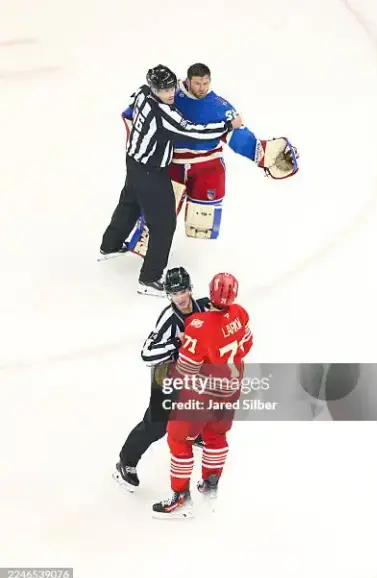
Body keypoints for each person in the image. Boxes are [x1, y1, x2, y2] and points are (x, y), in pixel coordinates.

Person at [124, 63, 298, 255]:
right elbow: (136, 114)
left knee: (201, 225)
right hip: (171, 165)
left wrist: (264, 154)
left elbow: (237, 136)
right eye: (197, 83)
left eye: (205, 83)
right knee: (156, 214)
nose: (202, 88)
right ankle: (141, 247)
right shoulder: (171, 95)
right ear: (188, 81)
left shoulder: (218, 106)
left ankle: (196, 260)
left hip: (207, 167)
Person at [99, 65, 243, 297]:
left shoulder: (142, 93)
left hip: (134, 161)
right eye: (163, 90)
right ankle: (150, 278)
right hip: (151, 171)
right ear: (154, 89)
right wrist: (227, 126)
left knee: (129, 202)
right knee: (164, 224)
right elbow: (192, 132)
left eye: (170, 87)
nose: (169, 94)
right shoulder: (162, 111)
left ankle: (110, 245)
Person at [151, 272, 253, 519]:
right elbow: (247, 345)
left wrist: (187, 345)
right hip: (231, 388)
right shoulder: (240, 314)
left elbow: (186, 368)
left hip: (201, 396)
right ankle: (210, 487)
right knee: (216, 436)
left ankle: (181, 498)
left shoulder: (197, 324)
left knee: (179, 440)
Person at [112, 267, 210, 492]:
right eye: (175, 294)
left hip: (190, 371)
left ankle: (193, 433)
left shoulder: (204, 307)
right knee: (156, 426)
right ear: (169, 295)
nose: (181, 298)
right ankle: (126, 462)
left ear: (191, 289)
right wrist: (177, 344)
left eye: (184, 291)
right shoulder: (168, 319)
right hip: (166, 375)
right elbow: (147, 354)